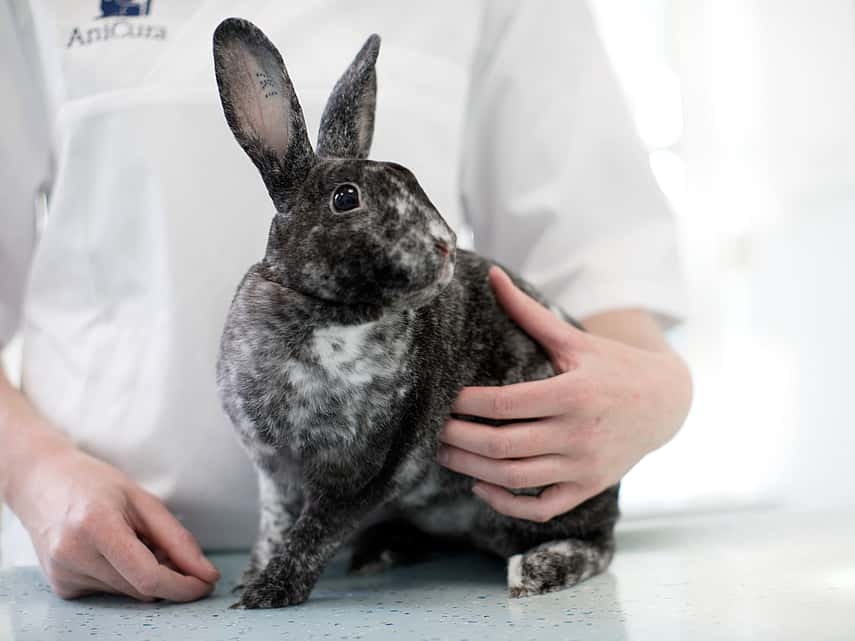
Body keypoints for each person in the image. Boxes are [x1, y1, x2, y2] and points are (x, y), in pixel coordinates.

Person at [0, 0, 692, 602]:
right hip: (99, 554)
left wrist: (656, 385)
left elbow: (602, 258)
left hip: (427, 567)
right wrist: (36, 474)